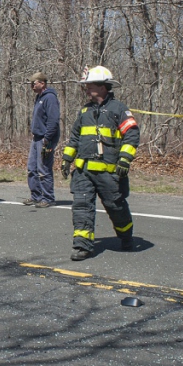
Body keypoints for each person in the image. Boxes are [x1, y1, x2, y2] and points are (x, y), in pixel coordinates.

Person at [59, 66, 139, 260]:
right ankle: (82, 246)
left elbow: (132, 134)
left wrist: (125, 159)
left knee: (116, 207)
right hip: (83, 172)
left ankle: (126, 235)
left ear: (103, 86)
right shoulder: (85, 111)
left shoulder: (118, 109)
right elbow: (75, 137)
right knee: (81, 206)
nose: (86, 88)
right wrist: (67, 158)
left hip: (109, 172)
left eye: (90, 85)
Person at [25, 72, 60, 208]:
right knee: (31, 168)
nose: (32, 86)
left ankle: (48, 197)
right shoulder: (38, 98)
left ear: (42, 83)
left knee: (43, 168)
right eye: (30, 84)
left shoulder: (50, 98)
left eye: (34, 83)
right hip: (37, 137)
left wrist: (47, 138)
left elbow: (53, 120)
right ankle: (36, 196)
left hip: (46, 138)